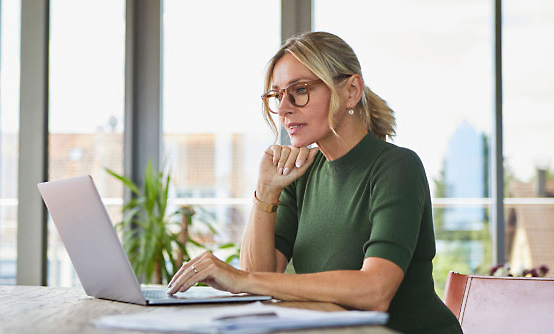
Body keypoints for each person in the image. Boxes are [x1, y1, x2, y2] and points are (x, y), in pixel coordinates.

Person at [167, 31, 463, 334]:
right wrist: (266, 192)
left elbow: (375, 291)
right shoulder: (302, 172)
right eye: (277, 95)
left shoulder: (397, 167)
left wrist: (240, 278)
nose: (284, 108)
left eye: (300, 90)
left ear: (351, 91)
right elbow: (258, 280)